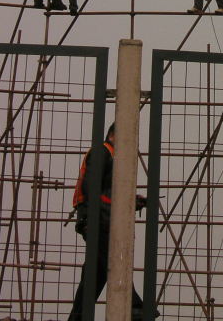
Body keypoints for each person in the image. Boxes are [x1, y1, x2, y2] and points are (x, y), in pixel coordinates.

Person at [68, 123, 148, 321]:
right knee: (113, 261)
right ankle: (135, 308)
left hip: (103, 218)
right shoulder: (102, 152)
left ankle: (77, 317)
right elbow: (91, 188)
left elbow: (105, 192)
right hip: (95, 218)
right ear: (114, 135)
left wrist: (130, 201)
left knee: (95, 275)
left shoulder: (111, 156)